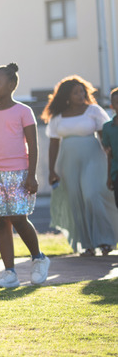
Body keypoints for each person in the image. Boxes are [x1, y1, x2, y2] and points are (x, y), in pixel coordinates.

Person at [0, 63, 50, 288]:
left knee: (19, 219)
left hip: (19, 174)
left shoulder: (24, 111)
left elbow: (33, 145)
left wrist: (32, 175)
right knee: (1, 222)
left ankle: (39, 258)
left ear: (12, 85)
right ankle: (10, 273)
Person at [43, 75, 118, 257]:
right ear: (66, 95)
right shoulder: (57, 117)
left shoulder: (93, 110)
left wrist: (111, 159)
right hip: (68, 162)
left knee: (92, 195)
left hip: (93, 158)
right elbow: (54, 144)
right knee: (75, 200)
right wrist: (51, 169)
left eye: (82, 91)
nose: (80, 94)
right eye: (76, 92)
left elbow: (105, 137)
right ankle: (87, 244)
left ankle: (105, 240)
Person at [102, 88, 118, 212]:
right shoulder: (107, 127)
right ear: (112, 106)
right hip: (116, 172)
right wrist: (108, 176)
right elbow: (109, 155)